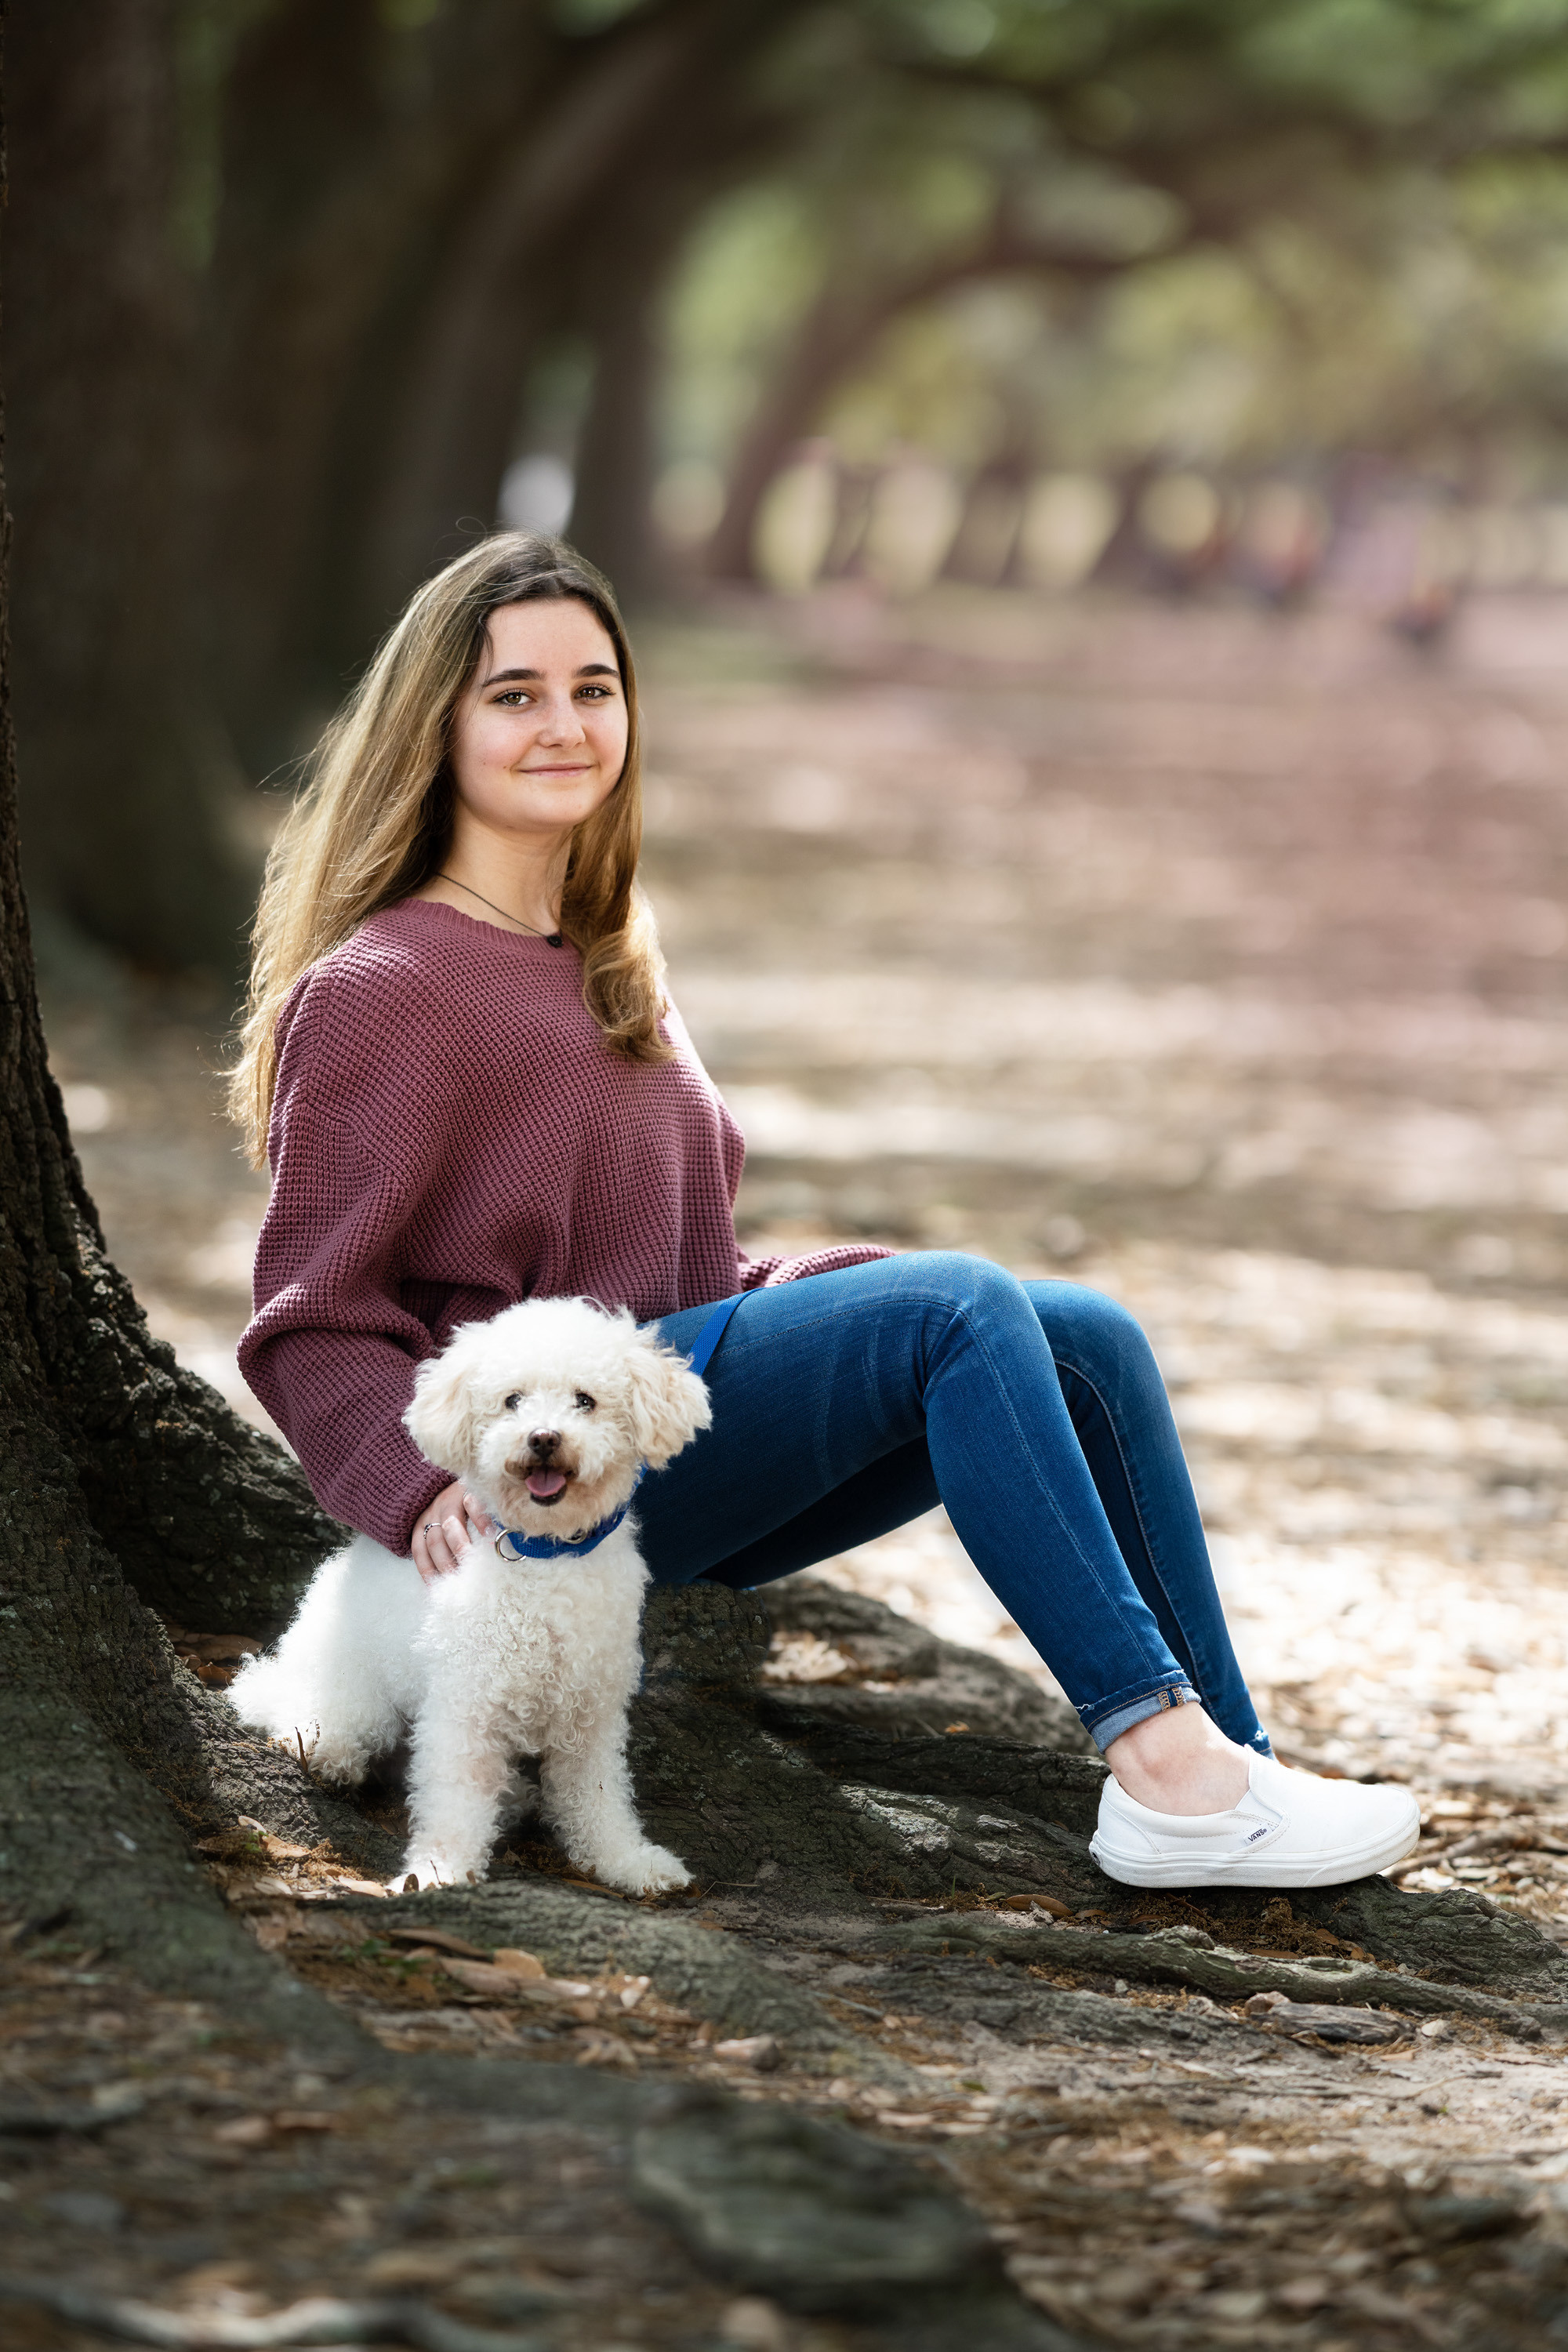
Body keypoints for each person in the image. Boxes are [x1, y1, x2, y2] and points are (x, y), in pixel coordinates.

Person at [231, 531, 1418, 1890]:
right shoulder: (386, 985)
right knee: (962, 1307)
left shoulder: (609, 947)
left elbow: (688, 1258)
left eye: (594, 687)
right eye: (514, 695)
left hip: (672, 1404)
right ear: (433, 725)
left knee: (1082, 1334)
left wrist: (851, 1291)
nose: (565, 724)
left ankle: (1233, 1767)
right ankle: (1162, 1771)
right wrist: (413, 1485)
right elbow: (311, 1320)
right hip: (552, 1484)